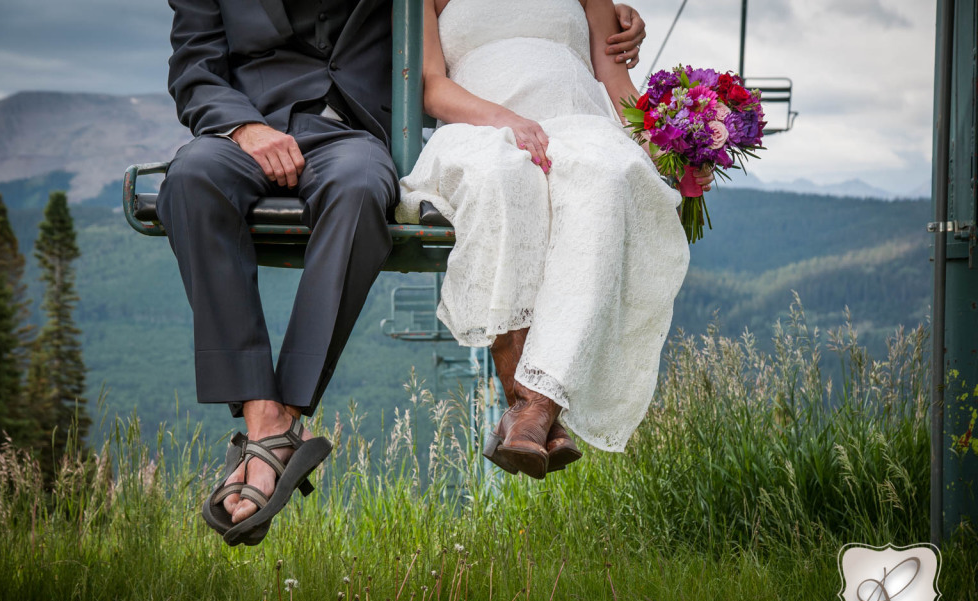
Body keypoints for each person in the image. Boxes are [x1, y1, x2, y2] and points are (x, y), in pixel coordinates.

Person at [158, 0, 651, 542]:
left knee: (360, 190)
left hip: (350, 135)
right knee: (190, 180)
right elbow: (194, 68)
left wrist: (605, 13)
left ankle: (285, 416)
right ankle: (265, 419)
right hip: (245, 130)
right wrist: (245, 128)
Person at [397, 0, 714, 479]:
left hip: (579, 125)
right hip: (481, 126)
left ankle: (530, 413)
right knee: (504, 178)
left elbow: (620, 88)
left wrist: (676, 149)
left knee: (611, 176)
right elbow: (431, 85)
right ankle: (538, 411)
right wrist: (507, 120)